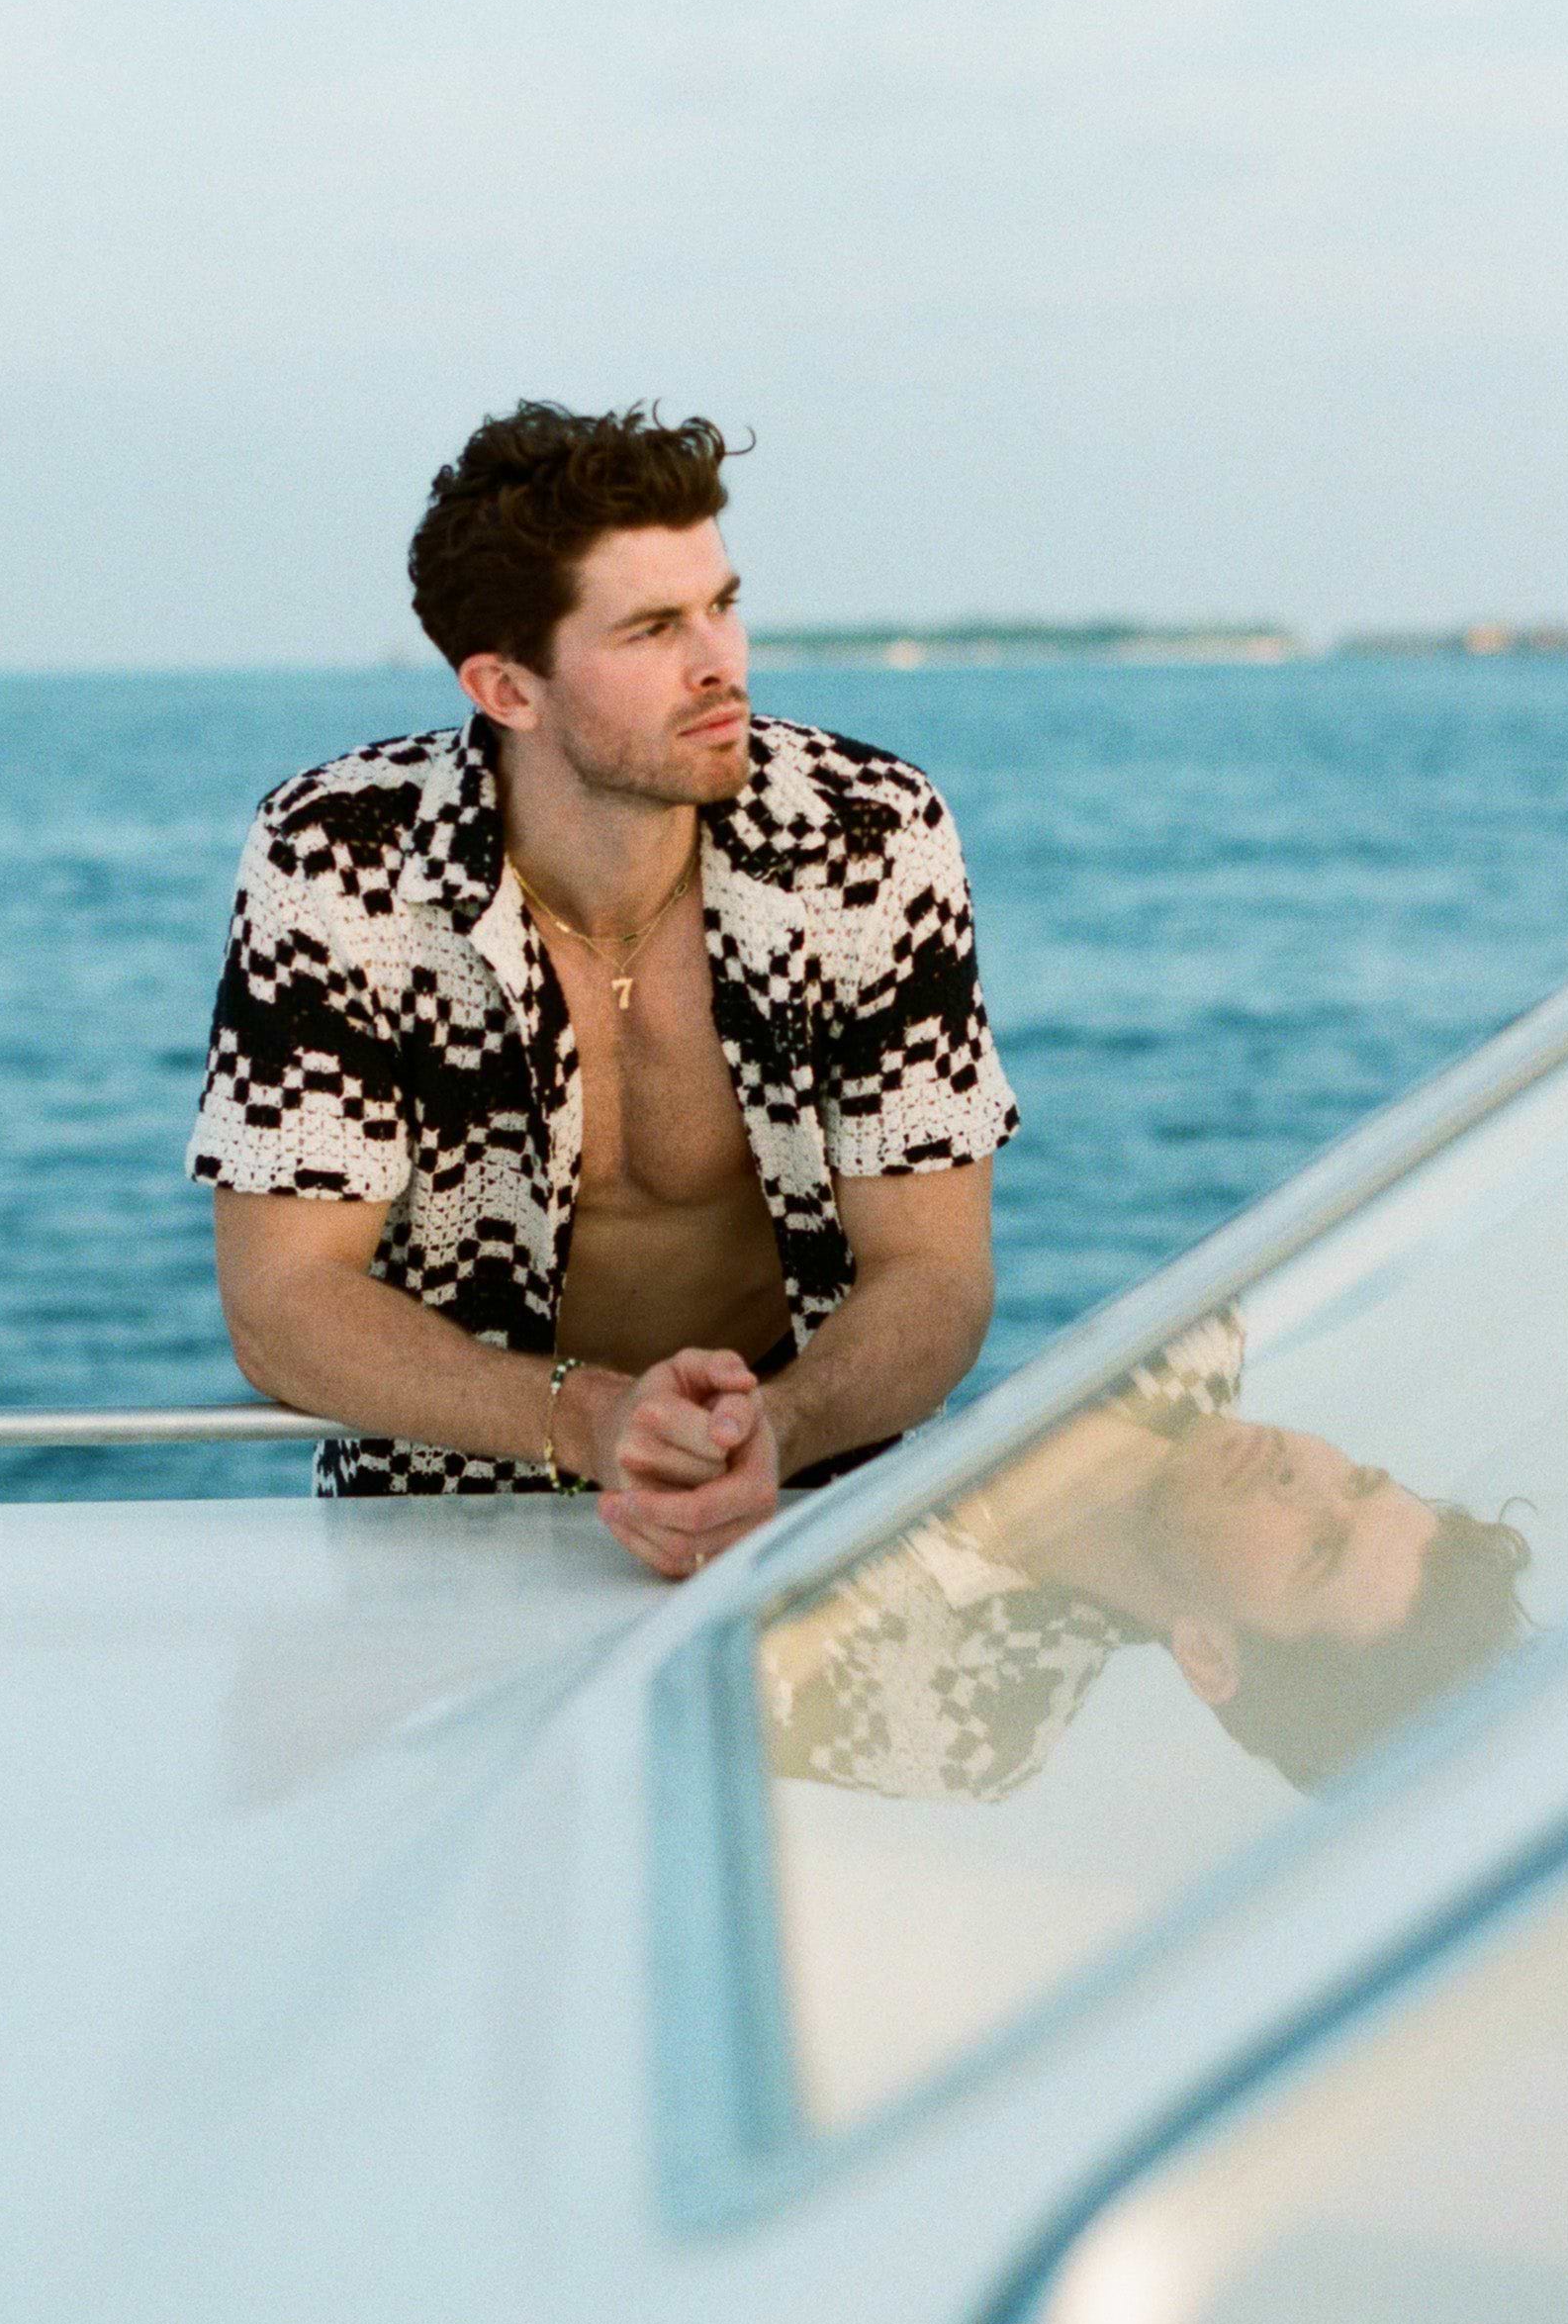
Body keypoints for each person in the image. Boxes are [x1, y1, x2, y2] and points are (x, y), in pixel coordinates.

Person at [188, 402, 1019, 1576]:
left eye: (722, 605)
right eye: (649, 629)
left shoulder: (865, 832)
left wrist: (770, 1433)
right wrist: (592, 1419)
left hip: (815, 1505)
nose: (718, 661)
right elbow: (280, 1301)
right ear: (506, 689)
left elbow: (934, 1270)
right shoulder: (341, 855)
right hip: (448, 1522)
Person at [763, 1310, 1530, 1796]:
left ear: (1209, 1656)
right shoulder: (1180, 1320)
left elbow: (692, 1685)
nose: (1304, 1473)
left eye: (1319, 1548)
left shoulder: (982, 1717)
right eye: (1358, 1480)